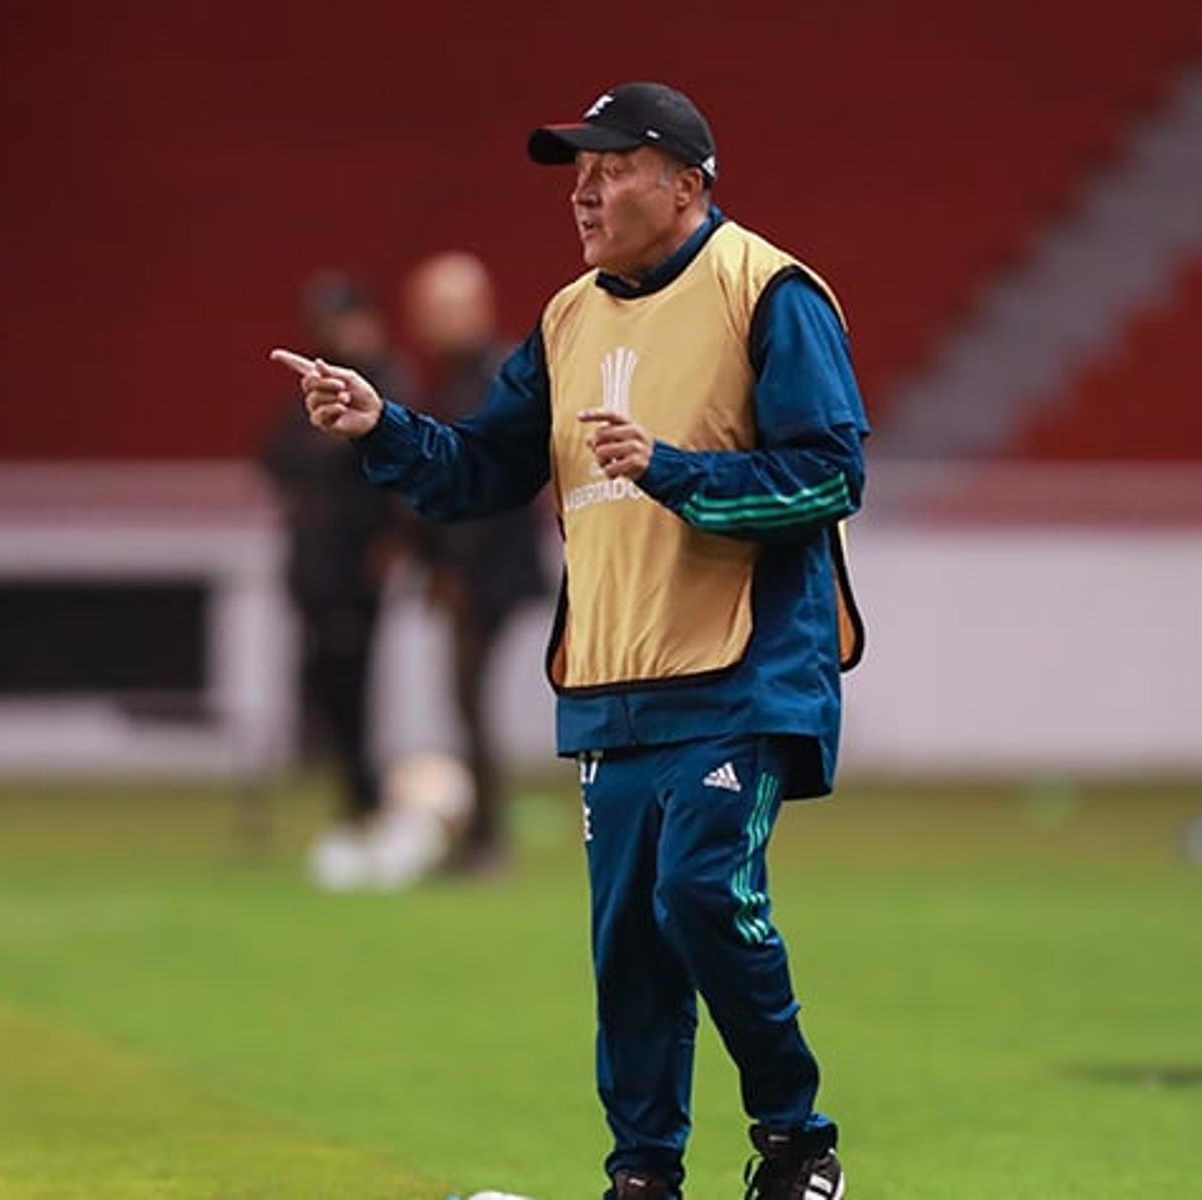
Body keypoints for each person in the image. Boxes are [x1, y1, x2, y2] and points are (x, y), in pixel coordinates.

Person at [274, 81, 862, 1200]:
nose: (583, 187)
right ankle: (642, 1174)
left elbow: (830, 473)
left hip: (742, 668)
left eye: (613, 163)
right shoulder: (566, 317)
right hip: (611, 679)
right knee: (627, 947)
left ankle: (797, 1141)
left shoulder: (770, 292)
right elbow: (482, 470)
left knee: (699, 895)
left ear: (688, 183)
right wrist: (382, 427)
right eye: (574, 169)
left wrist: (675, 469)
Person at [399, 252, 548, 876]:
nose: (424, 321)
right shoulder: (465, 376)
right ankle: (483, 835)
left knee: (468, 700)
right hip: (476, 572)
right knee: (466, 702)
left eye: (436, 308)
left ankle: (487, 840)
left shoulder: (492, 378)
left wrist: (456, 570)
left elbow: (490, 489)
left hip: (489, 576)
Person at [259, 274, 410, 838]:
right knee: (326, 682)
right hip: (315, 566)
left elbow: (401, 475)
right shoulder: (316, 388)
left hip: (354, 566)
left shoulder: (387, 385)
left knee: (351, 683)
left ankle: (366, 799)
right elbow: (274, 457)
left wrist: (393, 541)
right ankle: (356, 795)